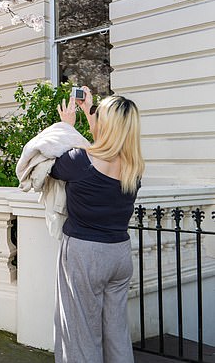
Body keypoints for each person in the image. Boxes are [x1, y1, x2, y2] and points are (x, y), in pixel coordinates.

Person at [51, 87, 145, 363]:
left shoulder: (80, 161)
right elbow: (106, 147)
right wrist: (87, 111)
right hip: (119, 255)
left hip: (86, 254)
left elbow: (54, 166)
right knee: (116, 333)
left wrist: (66, 128)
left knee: (80, 335)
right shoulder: (134, 168)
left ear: (106, 125)